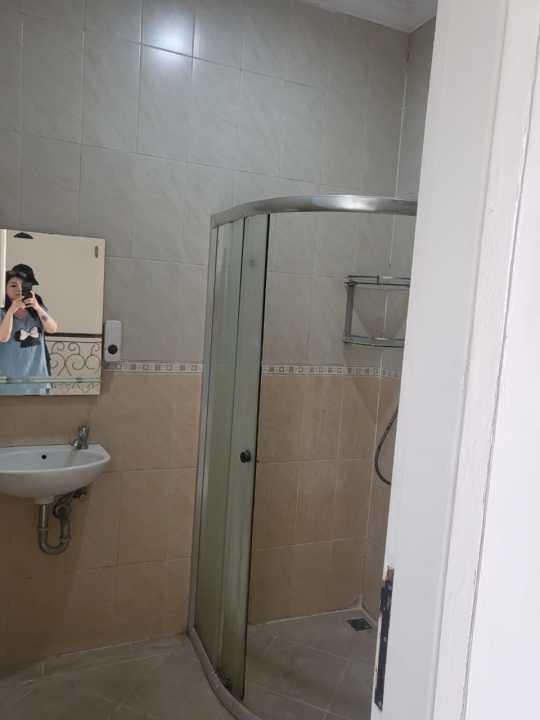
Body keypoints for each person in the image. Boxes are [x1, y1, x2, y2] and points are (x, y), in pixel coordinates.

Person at [0, 264, 58, 395]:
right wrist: (11, 310)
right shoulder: (1, 312)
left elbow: (53, 328)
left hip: (37, 381)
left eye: (23, 285)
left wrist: (38, 308)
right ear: (4, 289)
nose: (19, 289)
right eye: (13, 285)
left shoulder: (36, 310)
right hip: (8, 382)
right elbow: (3, 337)